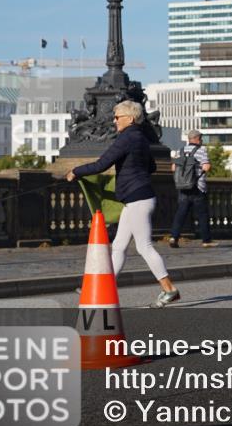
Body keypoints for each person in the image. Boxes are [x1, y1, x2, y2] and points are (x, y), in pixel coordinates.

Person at [66, 100, 180, 308]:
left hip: (137, 199)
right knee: (118, 246)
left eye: (117, 117)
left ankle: (169, 288)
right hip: (137, 197)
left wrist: (75, 171)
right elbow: (152, 166)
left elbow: (102, 164)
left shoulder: (127, 137)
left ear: (130, 118)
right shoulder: (141, 137)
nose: (114, 120)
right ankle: (101, 286)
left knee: (144, 247)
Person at [169, 129, 218, 249]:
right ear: (196, 139)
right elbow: (206, 167)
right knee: (202, 215)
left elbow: (173, 168)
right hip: (197, 187)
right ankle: (206, 240)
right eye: (200, 138)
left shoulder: (181, 150)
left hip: (183, 187)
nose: (201, 140)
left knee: (181, 213)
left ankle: (174, 237)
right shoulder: (201, 150)